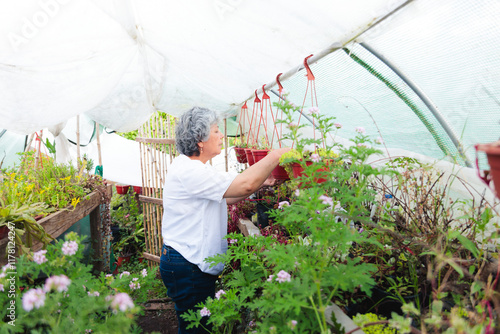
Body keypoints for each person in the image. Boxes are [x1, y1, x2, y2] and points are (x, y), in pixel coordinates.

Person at [159, 106, 289, 333]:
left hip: (187, 263)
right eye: (217, 130)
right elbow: (243, 184)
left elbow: (228, 196)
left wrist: (262, 182)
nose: (221, 136)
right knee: (197, 329)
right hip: (188, 265)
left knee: (197, 327)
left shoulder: (193, 168)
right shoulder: (191, 171)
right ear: (200, 139)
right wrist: (275, 155)